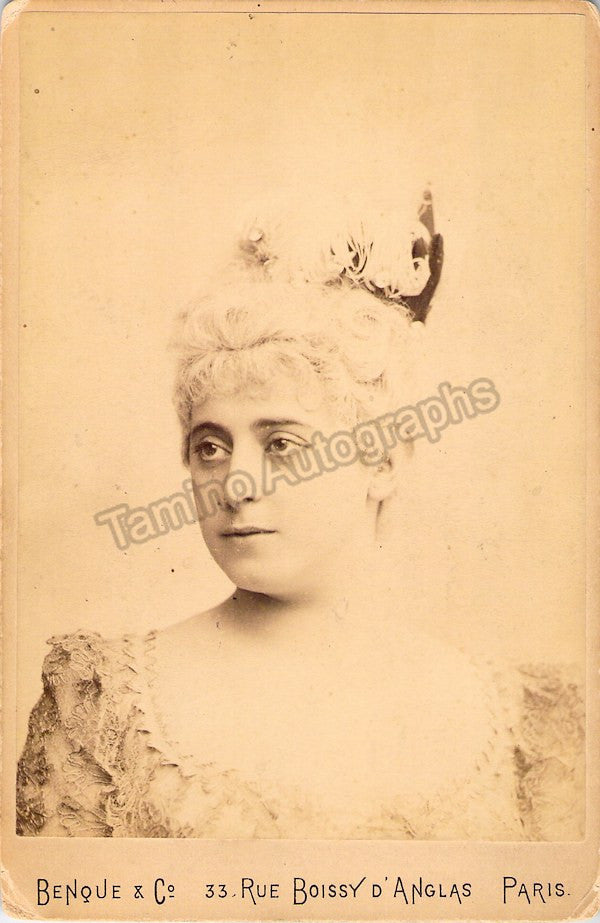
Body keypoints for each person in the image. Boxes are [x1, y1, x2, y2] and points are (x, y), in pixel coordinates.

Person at [16, 199, 584, 839]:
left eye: (282, 443)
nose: (236, 484)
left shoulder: (527, 728)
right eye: (210, 447)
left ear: (383, 461)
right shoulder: (107, 707)